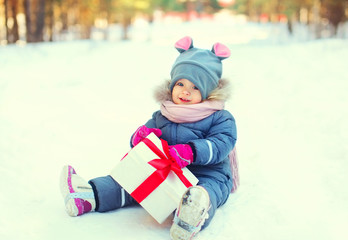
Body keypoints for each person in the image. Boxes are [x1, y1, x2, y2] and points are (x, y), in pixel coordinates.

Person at [60, 36, 238, 240]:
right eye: (181, 83)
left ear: (208, 93)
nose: (186, 92)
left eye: (196, 87)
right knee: (131, 180)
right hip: (168, 172)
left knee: (206, 191)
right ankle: (88, 195)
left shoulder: (220, 117)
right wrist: (140, 138)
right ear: (172, 85)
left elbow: (221, 144)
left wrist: (191, 151)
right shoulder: (163, 114)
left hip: (207, 174)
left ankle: (191, 215)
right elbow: (141, 143)